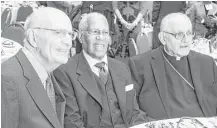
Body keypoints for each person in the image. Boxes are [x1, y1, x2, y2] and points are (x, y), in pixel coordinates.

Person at [53, 12, 150, 128]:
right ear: (81, 37)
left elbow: (134, 113)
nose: (100, 37)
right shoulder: (64, 71)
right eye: (94, 32)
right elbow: (71, 122)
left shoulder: (122, 68)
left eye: (105, 32)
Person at [128, 13, 217, 120]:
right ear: (163, 38)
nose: (186, 40)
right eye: (179, 35)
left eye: (189, 33)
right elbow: (130, 109)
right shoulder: (139, 65)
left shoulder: (207, 63)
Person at [1, 7, 77, 128]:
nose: (68, 42)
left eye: (70, 34)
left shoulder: (49, 73)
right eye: (58, 33)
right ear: (33, 38)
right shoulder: (6, 79)